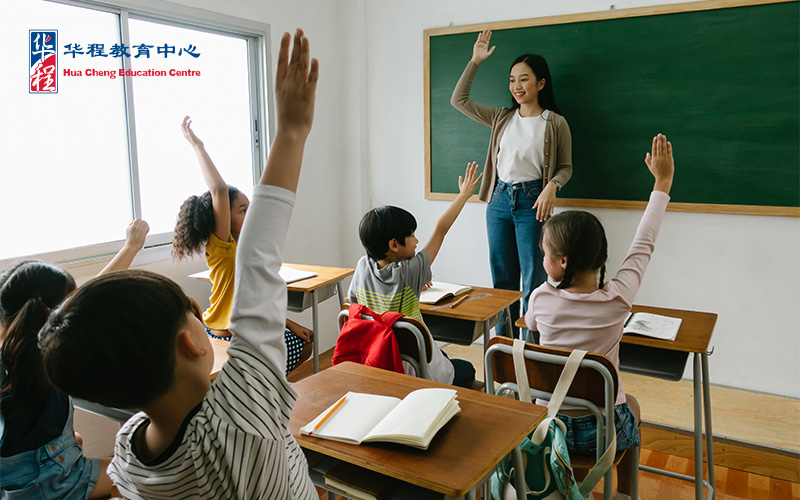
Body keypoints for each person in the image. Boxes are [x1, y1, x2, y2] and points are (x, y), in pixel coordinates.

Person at [38, 28, 318, 500]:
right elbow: (259, 256)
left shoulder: (128, 451)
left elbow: (254, 261)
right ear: (191, 341)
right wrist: (291, 131)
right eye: (192, 310)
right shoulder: (245, 410)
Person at [526, 134, 674, 500]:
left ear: (561, 262)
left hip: (548, 424)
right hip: (600, 433)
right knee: (632, 406)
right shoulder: (618, 298)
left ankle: (559, 475)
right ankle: (625, 493)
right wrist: (662, 183)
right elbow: (644, 243)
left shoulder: (540, 299)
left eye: (544, 253)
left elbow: (530, 325)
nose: (541, 259)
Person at [0, 218, 149, 499]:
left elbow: (86, 296)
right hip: (57, 484)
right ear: (56, 314)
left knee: (76, 438)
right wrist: (131, 246)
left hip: (14, 488)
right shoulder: (55, 357)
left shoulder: (11, 354)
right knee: (146, 473)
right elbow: (90, 298)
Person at [451, 29, 573, 340]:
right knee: (502, 281)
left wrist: (552, 186)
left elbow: (565, 167)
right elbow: (458, 100)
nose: (516, 86)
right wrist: (475, 61)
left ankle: (530, 350)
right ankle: (504, 349)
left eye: (524, 79)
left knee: (533, 280)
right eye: (512, 80)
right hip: (499, 200)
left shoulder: (555, 122)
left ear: (540, 83)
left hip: (534, 200)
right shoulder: (501, 118)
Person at [173, 114, 313, 375]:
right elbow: (219, 190)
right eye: (242, 210)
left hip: (246, 330)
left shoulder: (248, 248)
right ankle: (263, 386)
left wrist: (289, 323)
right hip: (229, 337)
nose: (251, 214)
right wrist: (197, 146)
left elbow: (255, 302)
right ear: (222, 217)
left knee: (306, 341)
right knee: (301, 348)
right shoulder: (221, 248)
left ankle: (263, 386)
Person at [348, 162, 483, 387]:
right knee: (467, 367)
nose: (417, 241)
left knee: (445, 357)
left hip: (375, 360)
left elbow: (354, 305)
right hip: (410, 366)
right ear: (394, 244)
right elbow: (441, 229)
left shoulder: (362, 266)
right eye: (412, 236)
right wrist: (464, 195)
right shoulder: (410, 270)